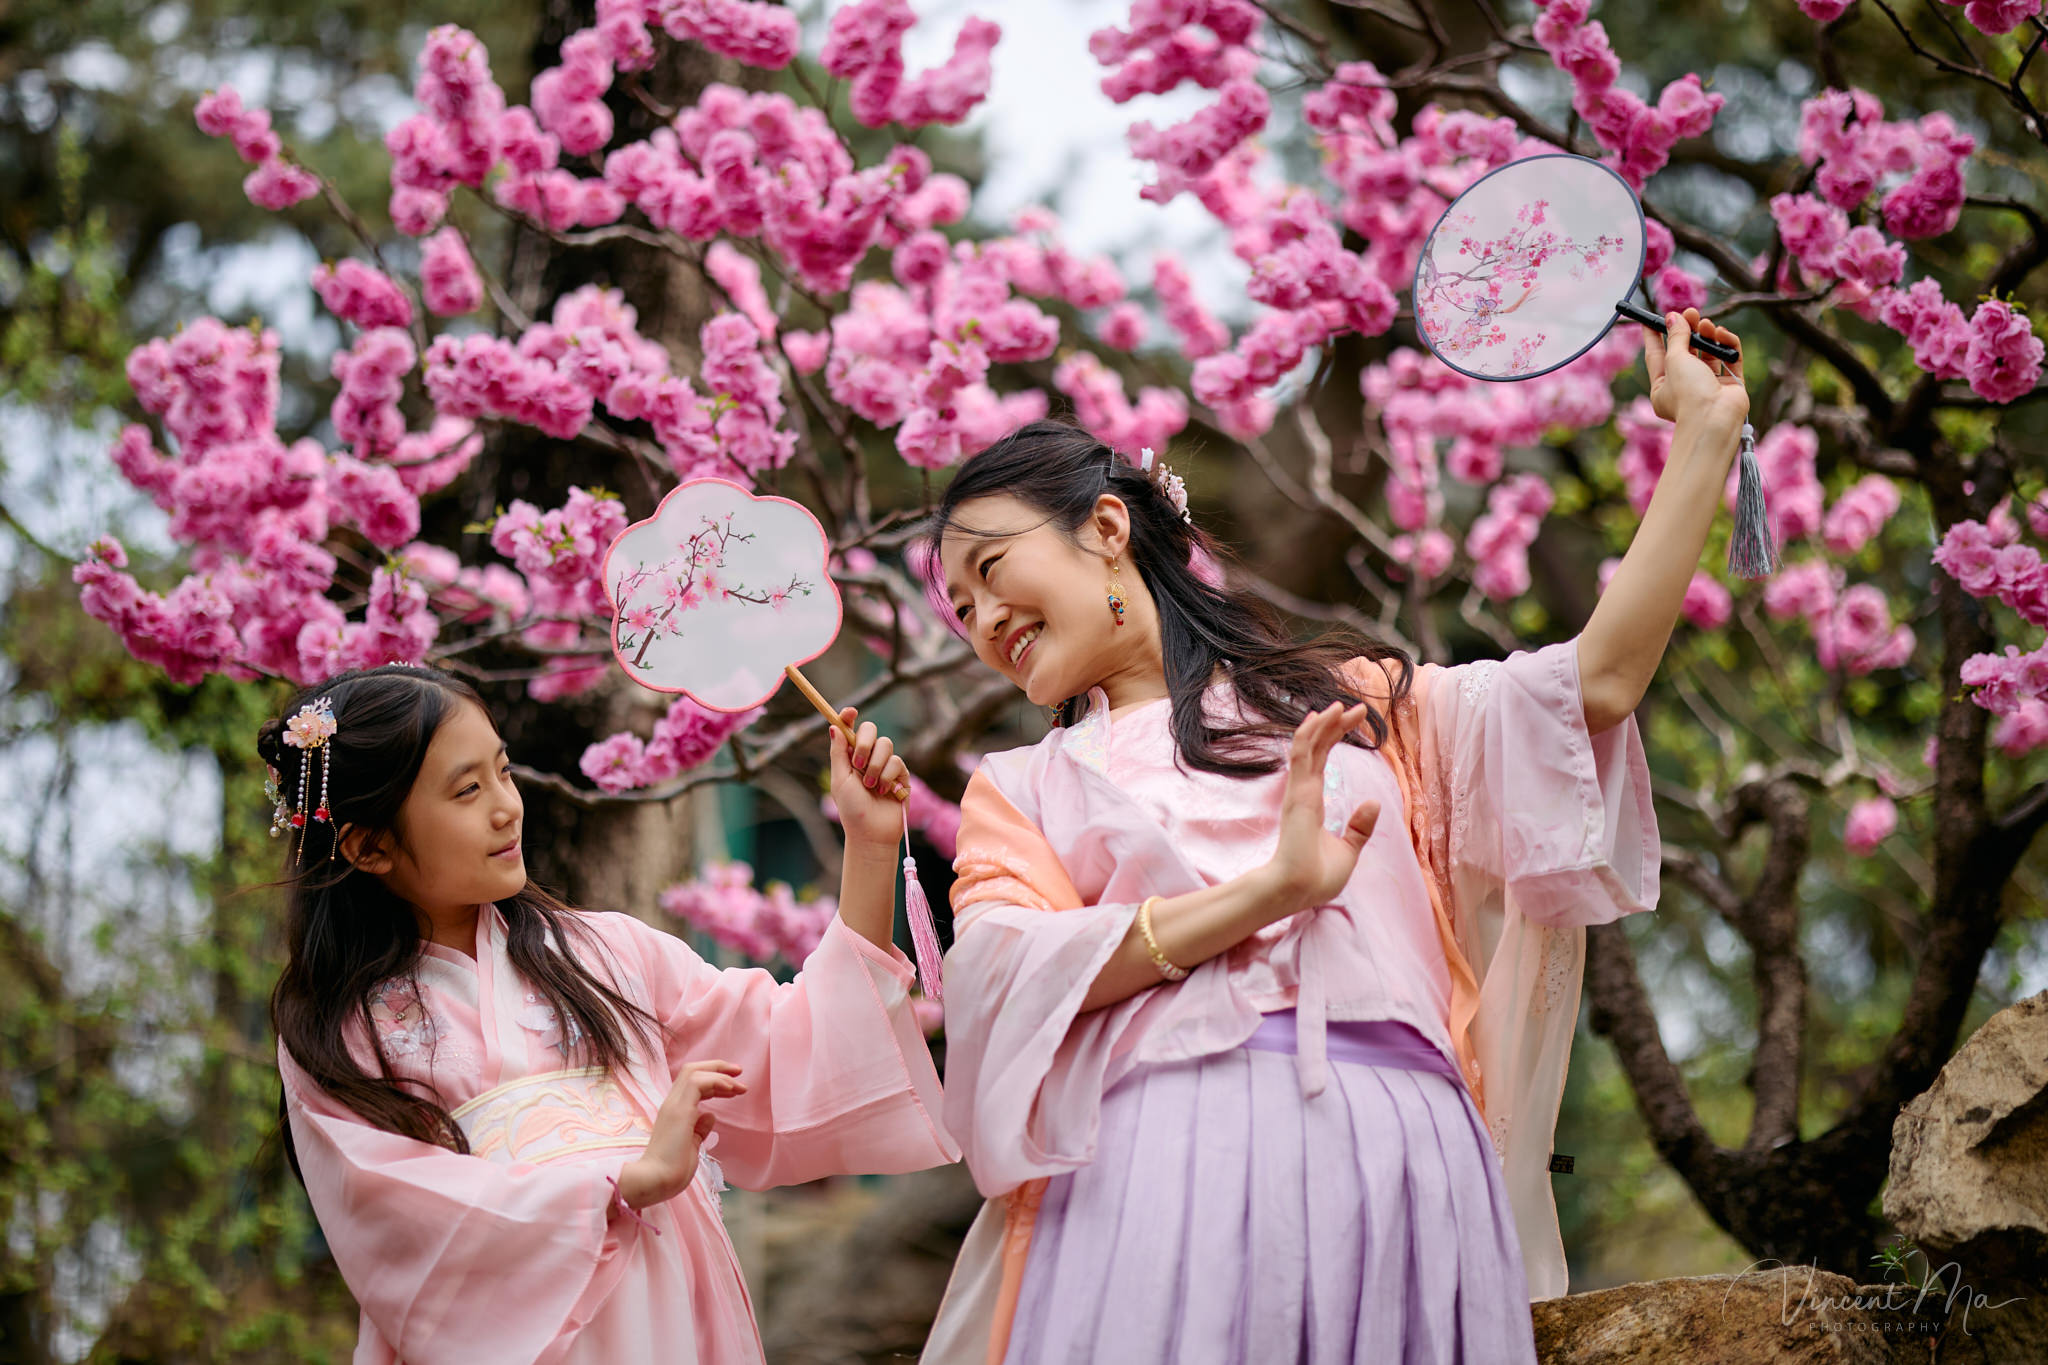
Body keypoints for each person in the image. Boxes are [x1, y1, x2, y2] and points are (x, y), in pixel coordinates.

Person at [920, 310, 1747, 1363]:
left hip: (1403, 1152)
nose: (982, 619)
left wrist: (1704, 435)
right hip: (1164, 1157)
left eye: (990, 571)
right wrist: (1271, 891)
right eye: (959, 609)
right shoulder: (1022, 787)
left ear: (1107, 529)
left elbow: (1594, 684)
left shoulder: (1351, 702)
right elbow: (1000, 978)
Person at [261, 664, 956, 1364]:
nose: (507, 806)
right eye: (468, 789)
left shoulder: (608, 954)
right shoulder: (336, 1033)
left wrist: (868, 848)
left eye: (504, 772)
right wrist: (625, 1181)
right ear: (367, 845)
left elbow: (794, 1046)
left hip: (672, 1307)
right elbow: (403, 1216)